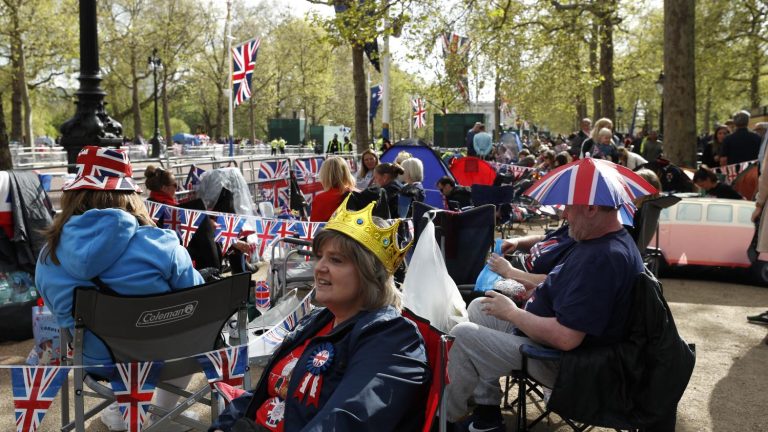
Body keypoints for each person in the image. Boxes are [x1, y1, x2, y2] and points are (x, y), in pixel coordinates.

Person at [211, 196, 428, 432]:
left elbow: (347, 420)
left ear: (369, 274)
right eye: (320, 256)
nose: (319, 267)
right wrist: (223, 425)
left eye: (335, 260)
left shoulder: (394, 338)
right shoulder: (318, 320)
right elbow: (267, 390)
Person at [35, 146, 204, 431]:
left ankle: (122, 412)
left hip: (93, 361)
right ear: (130, 195)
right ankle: (161, 416)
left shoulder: (47, 256)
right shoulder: (160, 243)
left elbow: (55, 310)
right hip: (163, 356)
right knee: (191, 334)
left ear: (72, 195)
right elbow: (199, 300)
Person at [444, 203, 644, 431]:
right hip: (556, 346)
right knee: (482, 307)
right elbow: (570, 294)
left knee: (463, 335)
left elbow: (566, 338)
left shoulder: (604, 257)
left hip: (564, 363)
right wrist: (535, 291)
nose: (565, 214)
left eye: (570, 208)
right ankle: (487, 413)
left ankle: (444, 420)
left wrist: (512, 312)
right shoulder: (600, 242)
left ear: (591, 208)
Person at [310, 156, 357, 222]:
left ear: (324, 175)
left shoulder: (320, 199)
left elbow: (315, 227)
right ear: (346, 172)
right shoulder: (358, 193)